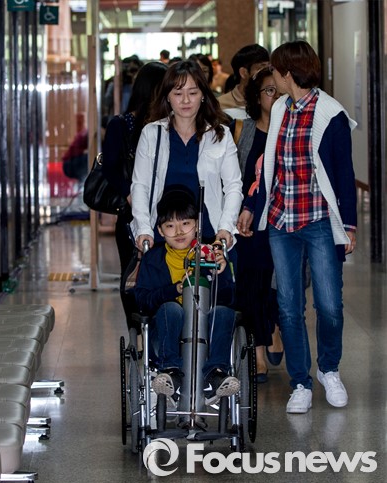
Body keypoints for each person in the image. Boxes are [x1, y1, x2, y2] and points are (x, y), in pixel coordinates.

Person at [237, 41, 357, 414]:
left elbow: (344, 172)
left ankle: (329, 369)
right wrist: (252, 206)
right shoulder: (279, 110)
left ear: (288, 73)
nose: (272, 76)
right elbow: (268, 168)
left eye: (275, 70)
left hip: (319, 221)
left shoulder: (331, 114)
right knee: (289, 306)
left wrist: (349, 225)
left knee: (329, 305)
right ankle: (300, 382)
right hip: (280, 221)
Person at [134, 185, 240, 406]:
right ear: (160, 230)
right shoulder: (153, 260)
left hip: (206, 334)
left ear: (197, 225)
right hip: (165, 336)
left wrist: (220, 273)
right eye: (170, 226)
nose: (179, 232)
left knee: (224, 312)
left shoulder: (210, 254)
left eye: (185, 223)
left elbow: (230, 298)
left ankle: (215, 374)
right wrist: (175, 290)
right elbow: (142, 300)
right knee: (171, 308)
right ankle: (171, 371)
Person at [130, 59, 243, 254]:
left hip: (209, 236)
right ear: (167, 96)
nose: (185, 100)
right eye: (177, 93)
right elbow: (140, 185)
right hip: (161, 236)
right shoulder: (152, 134)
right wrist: (143, 228)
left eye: (192, 93)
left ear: (203, 95)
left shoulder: (220, 135)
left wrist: (226, 226)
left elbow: (233, 186)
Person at [102, 62, 168, 333]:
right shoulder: (121, 125)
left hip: (168, 215)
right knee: (133, 274)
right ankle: (137, 332)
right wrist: (131, 195)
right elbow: (110, 167)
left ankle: (162, 330)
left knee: (165, 273)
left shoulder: (170, 124)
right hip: (132, 214)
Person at [230, 66, 282, 384]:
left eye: (280, 91)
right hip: (248, 222)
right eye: (269, 91)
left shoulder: (290, 129)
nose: (275, 97)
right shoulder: (243, 129)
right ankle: (258, 352)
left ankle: (273, 326)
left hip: (283, 221)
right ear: (257, 96)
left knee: (277, 285)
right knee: (251, 285)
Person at [217, 44, 270, 119]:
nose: (267, 72)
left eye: (268, 67)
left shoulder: (272, 99)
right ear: (243, 72)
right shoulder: (221, 104)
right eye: (261, 68)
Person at [61, 113, 88, 181]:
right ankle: (83, 181)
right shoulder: (84, 133)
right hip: (69, 164)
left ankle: (82, 181)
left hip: (69, 163)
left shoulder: (84, 132)